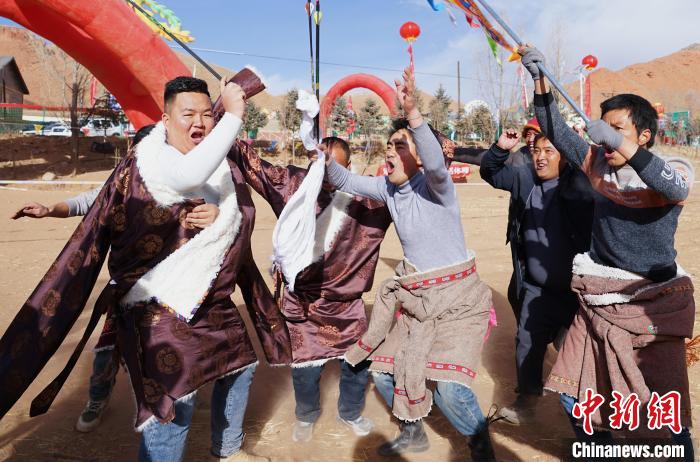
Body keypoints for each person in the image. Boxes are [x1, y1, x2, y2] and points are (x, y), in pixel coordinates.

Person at [0, 76, 291, 462]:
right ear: (165, 119)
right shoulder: (150, 159)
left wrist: (218, 214)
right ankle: (97, 401)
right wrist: (55, 207)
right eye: (188, 114)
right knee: (172, 399)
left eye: (207, 114)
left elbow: (217, 194)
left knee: (241, 365)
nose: (199, 123)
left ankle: (229, 449)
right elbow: (103, 198)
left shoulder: (213, 162)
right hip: (155, 299)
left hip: (207, 294)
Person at [521, 45, 695, 460]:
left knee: (663, 409)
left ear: (645, 136)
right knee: (573, 393)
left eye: (618, 129)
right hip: (598, 298)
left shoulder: (671, 167)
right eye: (604, 128)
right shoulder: (596, 164)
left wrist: (622, 146)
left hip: (653, 304)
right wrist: (540, 78)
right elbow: (555, 128)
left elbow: (677, 188)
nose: (607, 137)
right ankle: (598, 450)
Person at [323, 68, 496, 461]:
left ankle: (482, 445)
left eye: (400, 145)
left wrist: (414, 115)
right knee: (383, 369)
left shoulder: (438, 188)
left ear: (420, 151)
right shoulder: (388, 188)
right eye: (389, 145)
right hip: (418, 302)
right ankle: (413, 432)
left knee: (450, 388)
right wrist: (320, 152)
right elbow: (344, 179)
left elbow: (435, 164)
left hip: (459, 303)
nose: (390, 151)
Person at [10, 125, 224, 433]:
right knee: (106, 353)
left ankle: (187, 392)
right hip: (126, 291)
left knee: (182, 350)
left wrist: (216, 213)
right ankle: (98, 398)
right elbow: (85, 203)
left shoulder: (189, 188)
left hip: (174, 292)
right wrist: (49, 210)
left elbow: (225, 212)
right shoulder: (120, 186)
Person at [231, 136, 391, 442]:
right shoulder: (294, 187)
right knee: (305, 370)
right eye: (318, 165)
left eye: (334, 168)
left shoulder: (369, 198)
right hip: (303, 304)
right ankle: (306, 415)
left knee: (356, 366)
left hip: (348, 305)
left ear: (348, 167)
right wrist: (229, 116)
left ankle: (351, 412)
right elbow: (254, 164)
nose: (325, 174)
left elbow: (410, 190)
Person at [480, 129, 593, 425]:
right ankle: (526, 401)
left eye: (549, 151)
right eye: (536, 151)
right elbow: (490, 172)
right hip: (535, 287)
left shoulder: (580, 187)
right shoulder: (524, 179)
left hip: (575, 293)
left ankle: (588, 423)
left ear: (565, 157)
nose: (540, 157)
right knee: (527, 343)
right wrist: (501, 148)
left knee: (576, 357)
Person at [452, 119, 542, 319]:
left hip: (548, 247)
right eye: (528, 134)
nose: (531, 139)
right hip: (521, 241)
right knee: (518, 294)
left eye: (536, 133)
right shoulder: (521, 160)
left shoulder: (567, 167)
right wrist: (499, 149)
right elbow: (487, 165)